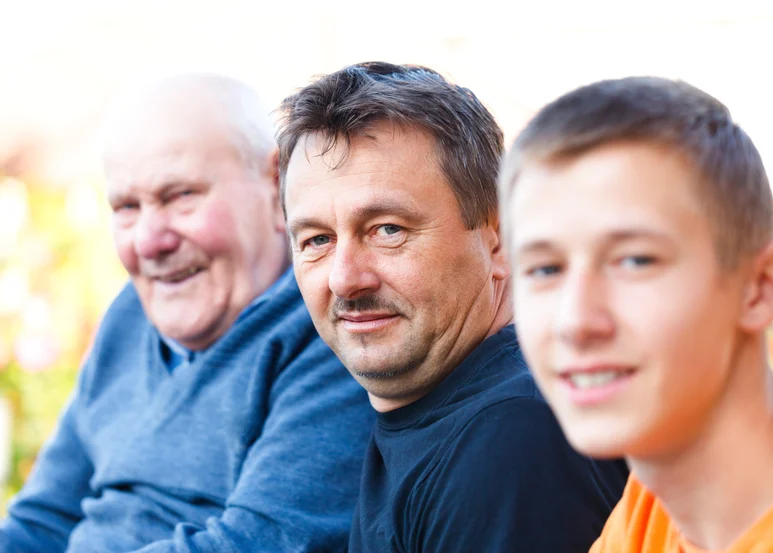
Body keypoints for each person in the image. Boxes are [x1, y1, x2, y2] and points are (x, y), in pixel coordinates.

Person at [0, 73, 375, 553]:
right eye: (127, 207)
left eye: (180, 196)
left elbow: (260, 543)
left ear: (276, 183)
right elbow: (42, 522)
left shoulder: (330, 329)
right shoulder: (130, 316)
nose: (150, 241)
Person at [278, 61, 629, 553]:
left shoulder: (511, 442)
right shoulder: (437, 412)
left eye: (388, 230)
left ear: (500, 241)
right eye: (317, 240)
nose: (345, 278)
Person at [501, 76, 773, 552]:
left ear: (760, 288)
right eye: (545, 269)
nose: (574, 320)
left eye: (635, 260)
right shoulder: (647, 515)